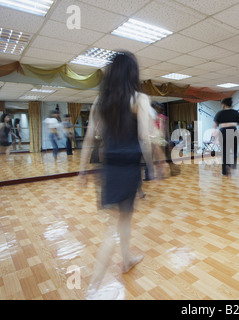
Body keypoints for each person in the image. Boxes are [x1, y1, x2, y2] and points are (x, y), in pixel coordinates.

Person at [79, 51, 155, 293]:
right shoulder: (139, 99)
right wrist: (154, 165)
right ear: (132, 74)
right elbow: (144, 137)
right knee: (115, 224)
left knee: (123, 218)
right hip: (128, 167)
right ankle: (93, 288)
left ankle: (127, 259)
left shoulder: (101, 102)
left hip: (109, 167)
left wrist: (82, 170)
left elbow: (89, 138)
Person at [213, 97, 239, 176]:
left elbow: (215, 126)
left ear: (223, 104)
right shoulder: (236, 112)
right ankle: (231, 165)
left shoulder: (219, 113)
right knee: (234, 151)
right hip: (233, 131)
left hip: (223, 132)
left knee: (224, 152)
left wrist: (215, 137)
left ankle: (224, 171)